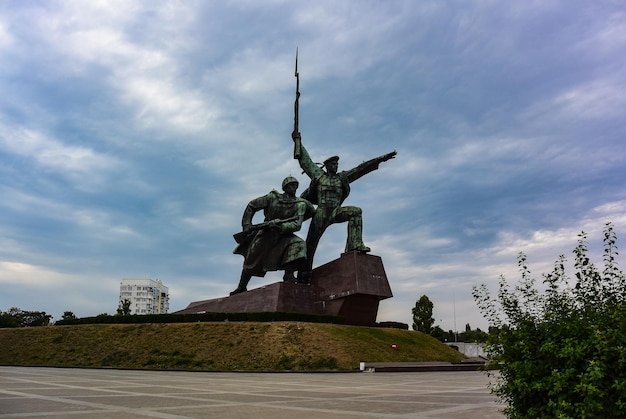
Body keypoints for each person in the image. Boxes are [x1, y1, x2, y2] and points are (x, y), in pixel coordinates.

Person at [292, 131, 396, 283]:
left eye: (337, 164)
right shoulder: (319, 175)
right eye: (332, 164)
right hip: (321, 212)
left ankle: (354, 245)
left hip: (335, 211)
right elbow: (305, 160)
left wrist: (381, 159)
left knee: (356, 212)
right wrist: (298, 140)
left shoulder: (342, 178)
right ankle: (303, 276)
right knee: (310, 245)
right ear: (327, 166)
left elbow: (361, 169)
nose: (335, 166)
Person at [230, 176, 314, 295]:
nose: (294, 188)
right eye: (291, 185)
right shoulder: (272, 198)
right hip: (266, 234)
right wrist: (247, 224)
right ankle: (242, 286)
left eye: (295, 185)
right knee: (252, 258)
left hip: (285, 235)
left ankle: (289, 275)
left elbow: (297, 224)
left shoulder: (300, 204)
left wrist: (281, 227)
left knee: (299, 244)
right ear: (285, 187)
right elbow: (252, 206)